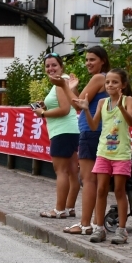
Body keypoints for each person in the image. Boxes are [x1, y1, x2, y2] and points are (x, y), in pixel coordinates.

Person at [73, 69, 132, 244]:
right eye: (107, 82)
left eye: (115, 82)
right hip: (103, 153)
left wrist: (121, 107)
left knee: (119, 190)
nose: (110, 85)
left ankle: (122, 230)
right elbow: (93, 126)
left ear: (123, 85)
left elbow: (131, 122)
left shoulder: (128, 100)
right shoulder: (101, 102)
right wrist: (85, 110)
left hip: (121, 154)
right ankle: (99, 228)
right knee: (101, 190)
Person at [53, 46, 110, 235]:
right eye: (86, 60)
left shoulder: (99, 78)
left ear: (102, 60)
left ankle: (85, 224)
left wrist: (63, 86)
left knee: (88, 180)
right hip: (100, 131)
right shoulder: (105, 78)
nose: (88, 63)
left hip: (91, 131)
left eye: (92, 59)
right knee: (97, 181)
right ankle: (94, 223)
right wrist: (73, 89)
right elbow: (81, 101)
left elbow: (77, 105)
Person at [32, 53, 80, 219]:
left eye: (54, 65)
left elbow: (65, 109)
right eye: (47, 66)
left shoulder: (61, 82)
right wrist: (46, 105)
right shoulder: (64, 81)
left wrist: (43, 113)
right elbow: (69, 104)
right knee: (73, 171)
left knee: (61, 171)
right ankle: (70, 207)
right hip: (72, 130)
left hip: (62, 131)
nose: (50, 69)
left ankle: (59, 210)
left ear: (61, 66)